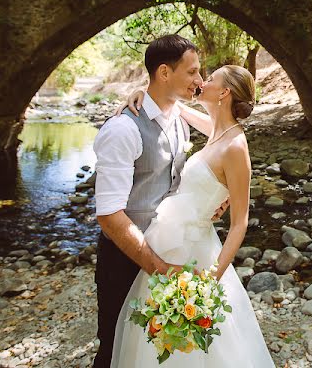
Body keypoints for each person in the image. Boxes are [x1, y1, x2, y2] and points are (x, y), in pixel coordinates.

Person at [110, 63, 274, 367]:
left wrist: (212, 278)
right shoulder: (215, 130)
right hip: (166, 242)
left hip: (197, 254)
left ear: (223, 92)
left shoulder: (236, 146)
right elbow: (174, 109)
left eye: (210, 79)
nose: (201, 81)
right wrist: (141, 92)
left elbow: (240, 223)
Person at [92, 35, 229, 368]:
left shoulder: (180, 120)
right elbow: (109, 216)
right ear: (164, 73)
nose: (199, 81)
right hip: (126, 263)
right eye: (193, 73)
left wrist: (208, 202)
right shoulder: (123, 129)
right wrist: (162, 270)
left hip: (173, 251)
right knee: (115, 350)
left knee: (158, 353)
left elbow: (227, 133)